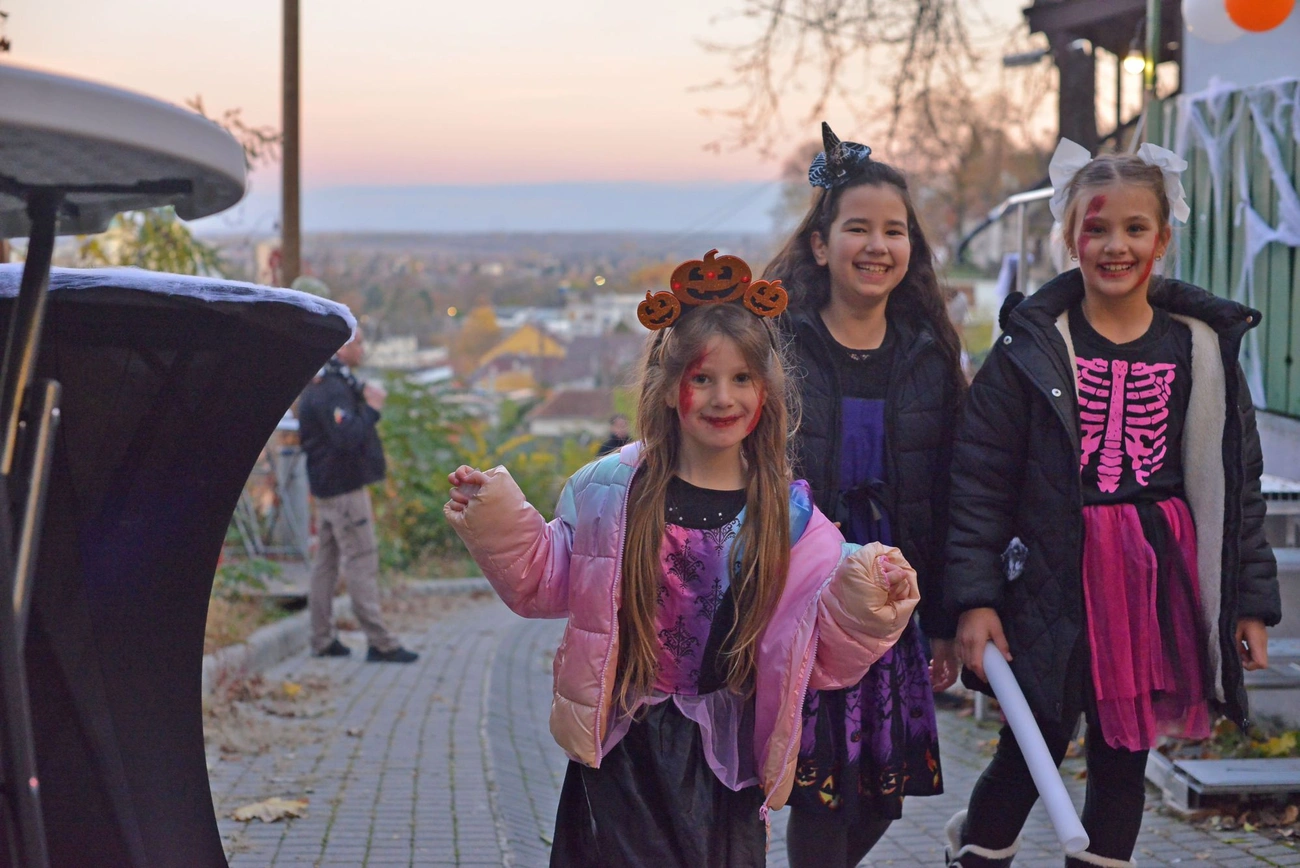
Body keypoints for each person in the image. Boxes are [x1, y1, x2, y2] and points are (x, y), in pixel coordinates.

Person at [444, 268, 921, 868]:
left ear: (766, 391)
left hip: (723, 762)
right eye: (703, 378)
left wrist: (871, 599)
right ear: (670, 389)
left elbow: (819, 651)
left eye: (742, 378)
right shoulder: (612, 492)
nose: (724, 397)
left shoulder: (792, 521)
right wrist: (495, 517)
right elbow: (545, 577)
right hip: (622, 751)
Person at [943, 139, 1280, 868]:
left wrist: (1248, 600)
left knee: (1123, 755)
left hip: (1154, 579)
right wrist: (974, 599)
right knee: (1034, 744)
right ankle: (974, 853)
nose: (1115, 245)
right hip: (1053, 579)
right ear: (1070, 237)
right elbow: (979, 484)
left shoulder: (1200, 349)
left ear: (1162, 238)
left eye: (1135, 228)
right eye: (1096, 229)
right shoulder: (1029, 351)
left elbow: (1237, 483)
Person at [764, 122, 964, 868]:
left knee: (881, 790)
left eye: (895, 230)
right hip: (801, 600)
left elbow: (951, 497)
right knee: (819, 785)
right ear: (822, 244)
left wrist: (944, 616)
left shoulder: (929, 356)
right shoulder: (775, 344)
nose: (877, 244)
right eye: (858, 228)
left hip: (891, 607)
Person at [299, 330, 418, 663]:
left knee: (327, 562)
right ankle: (381, 642)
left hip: (329, 488)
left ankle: (322, 639)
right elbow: (346, 437)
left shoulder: (330, 381)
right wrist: (373, 408)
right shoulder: (332, 388)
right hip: (344, 489)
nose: (363, 348)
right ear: (340, 345)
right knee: (361, 558)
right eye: (358, 342)